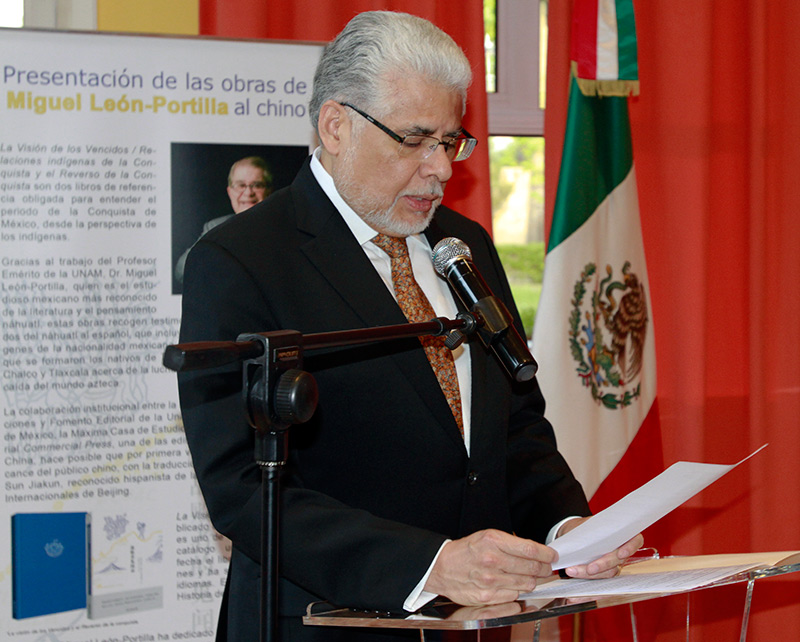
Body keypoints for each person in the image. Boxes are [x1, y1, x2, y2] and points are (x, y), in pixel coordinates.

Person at [177, 11, 643, 642]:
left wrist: (566, 528)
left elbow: (513, 428)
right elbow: (241, 488)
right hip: (327, 625)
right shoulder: (242, 260)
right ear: (336, 126)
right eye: (416, 141)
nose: (441, 169)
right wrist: (431, 565)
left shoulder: (462, 243)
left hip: (478, 621)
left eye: (451, 141)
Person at [174, 155, 273, 283]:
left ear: (269, 191)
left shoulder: (283, 229)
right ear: (230, 192)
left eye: (257, 185)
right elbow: (182, 272)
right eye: (240, 185)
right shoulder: (215, 227)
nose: (248, 193)